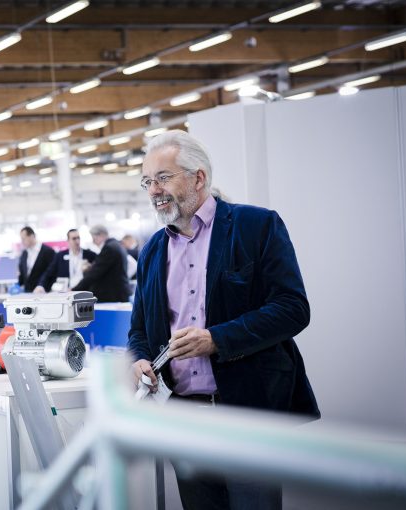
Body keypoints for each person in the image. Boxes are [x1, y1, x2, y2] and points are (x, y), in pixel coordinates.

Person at [127, 130, 318, 510]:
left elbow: (292, 307)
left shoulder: (255, 226)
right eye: (148, 181)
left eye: (164, 178)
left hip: (247, 413)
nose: (154, 190)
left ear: (198, 178)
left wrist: (216, 339)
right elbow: (139, 330)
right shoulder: (152, 250)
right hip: (183, 416)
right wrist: (139, 358)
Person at [71, 225, 130, 302]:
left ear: (101, 235)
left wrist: (74, 290)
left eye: (94, 238)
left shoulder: (109, 248)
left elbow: (94, 274)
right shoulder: (117, 245)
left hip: (113, 296)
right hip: (119, 293)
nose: (93, 242)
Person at [34, 229, 96, 293]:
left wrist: (90, 268)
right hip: (66, 292)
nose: (77, 241)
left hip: (85, 291)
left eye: (78, 238)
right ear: (68, 241)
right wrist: (40, 285)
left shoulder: (90, 255)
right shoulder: (60, 256)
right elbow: (48, 272)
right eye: (74, 238)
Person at [17, 226, 55, 293]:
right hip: (27, 293)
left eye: (23, 239)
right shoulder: (24, 253)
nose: (22, 242)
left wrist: (42, 286)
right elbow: (23, 275)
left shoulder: (48, 251)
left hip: (43, 293)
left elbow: (51, 273)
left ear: (31, 236)